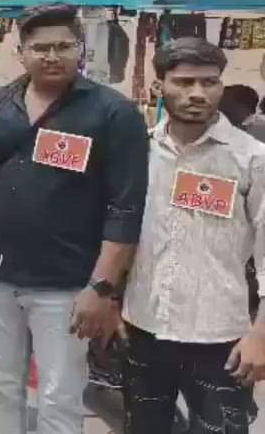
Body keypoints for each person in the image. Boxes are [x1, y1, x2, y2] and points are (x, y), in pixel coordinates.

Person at [0, 4, 148, 434]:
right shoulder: (1, 103)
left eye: (64, 46)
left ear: (80, 50)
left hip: (66, 287)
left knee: (59, 397)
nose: (52, 56)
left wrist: (101, 287)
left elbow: (126, 207)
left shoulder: (112, 113)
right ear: (22, 52)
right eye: (41, 47)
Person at [119, 38, 265, 433]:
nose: (197, 93)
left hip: (220, 338)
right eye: (184, 82)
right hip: (143, 326)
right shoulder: (139, 152)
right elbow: (119, 233)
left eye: (209, 82)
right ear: (159, 86)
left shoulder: (251, 159)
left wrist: (261, 334)